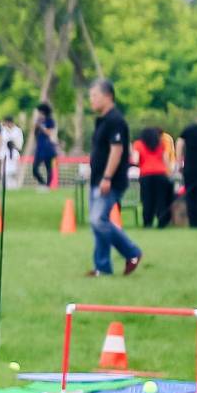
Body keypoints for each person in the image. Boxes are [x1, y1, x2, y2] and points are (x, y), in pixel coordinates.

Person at [85, 78, 143, 277]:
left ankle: (132, 252)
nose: (91, 100)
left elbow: (117, 150)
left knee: (98, 220)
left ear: (108, 96)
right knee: (97, 224)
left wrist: (107, 177)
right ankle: (102, 268)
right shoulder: (102, 120)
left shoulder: (115, 120)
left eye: (95, 95)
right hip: (97, 179)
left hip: (110, 181)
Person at [133, 127, 174, 229]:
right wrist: (169, 172)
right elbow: (165, 159)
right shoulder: (161, 144)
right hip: (161, 174)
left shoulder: (138, 144)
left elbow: (135, 160)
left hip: (146, 175)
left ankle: (148, 222)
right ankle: (162, 222)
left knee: (147, 200)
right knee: (161, 200)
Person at [32, 102, 60, 187]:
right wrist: (36, 125)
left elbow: (49, 132)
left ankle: (48, 186)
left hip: (48, 147)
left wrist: (41, 126)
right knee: (35, 169)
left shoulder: (50, 120)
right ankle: (42, 183)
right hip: (39, 148)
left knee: (49, 168)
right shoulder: (38, 121)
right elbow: (35, 133)